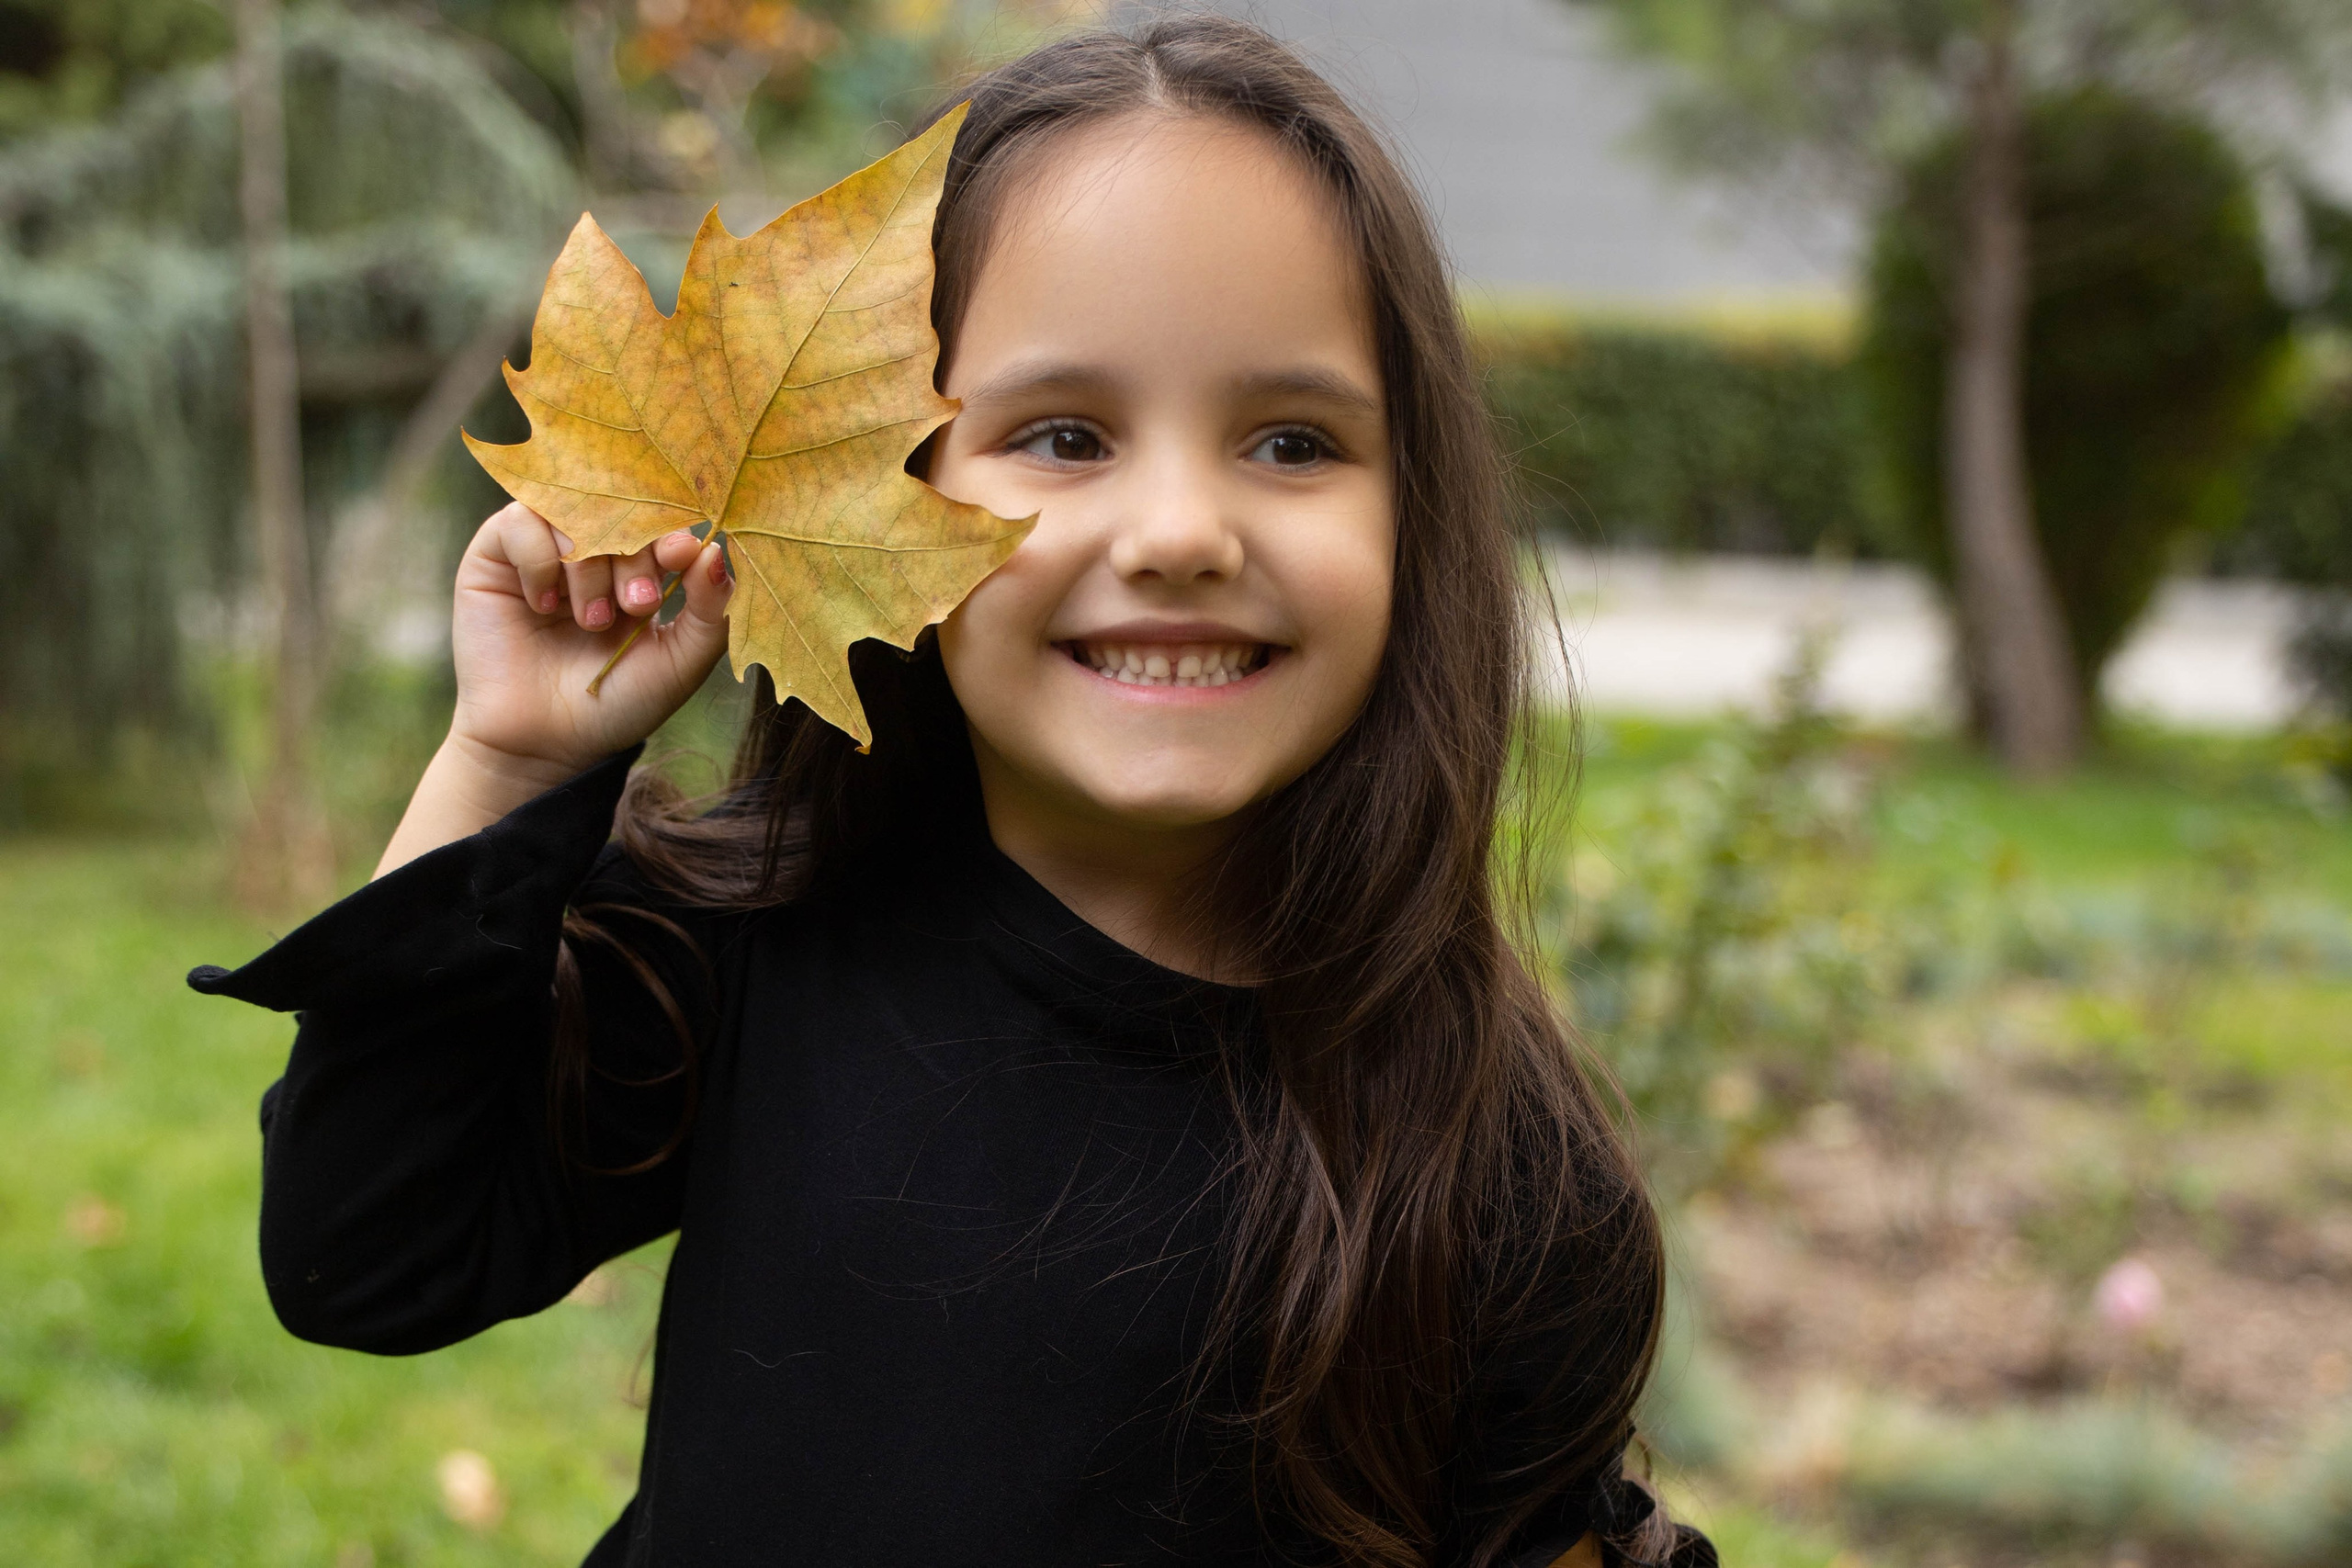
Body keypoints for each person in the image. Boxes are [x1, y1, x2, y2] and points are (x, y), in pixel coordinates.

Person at [190, 17, 1713, 1568]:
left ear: (1415, 513)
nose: (1180, 532)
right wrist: (510, 762)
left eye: (1289, 440)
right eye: (1064, 436)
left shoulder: (1496, 1169)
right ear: (881, 495)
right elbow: (364, 1255)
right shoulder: (756, 935)